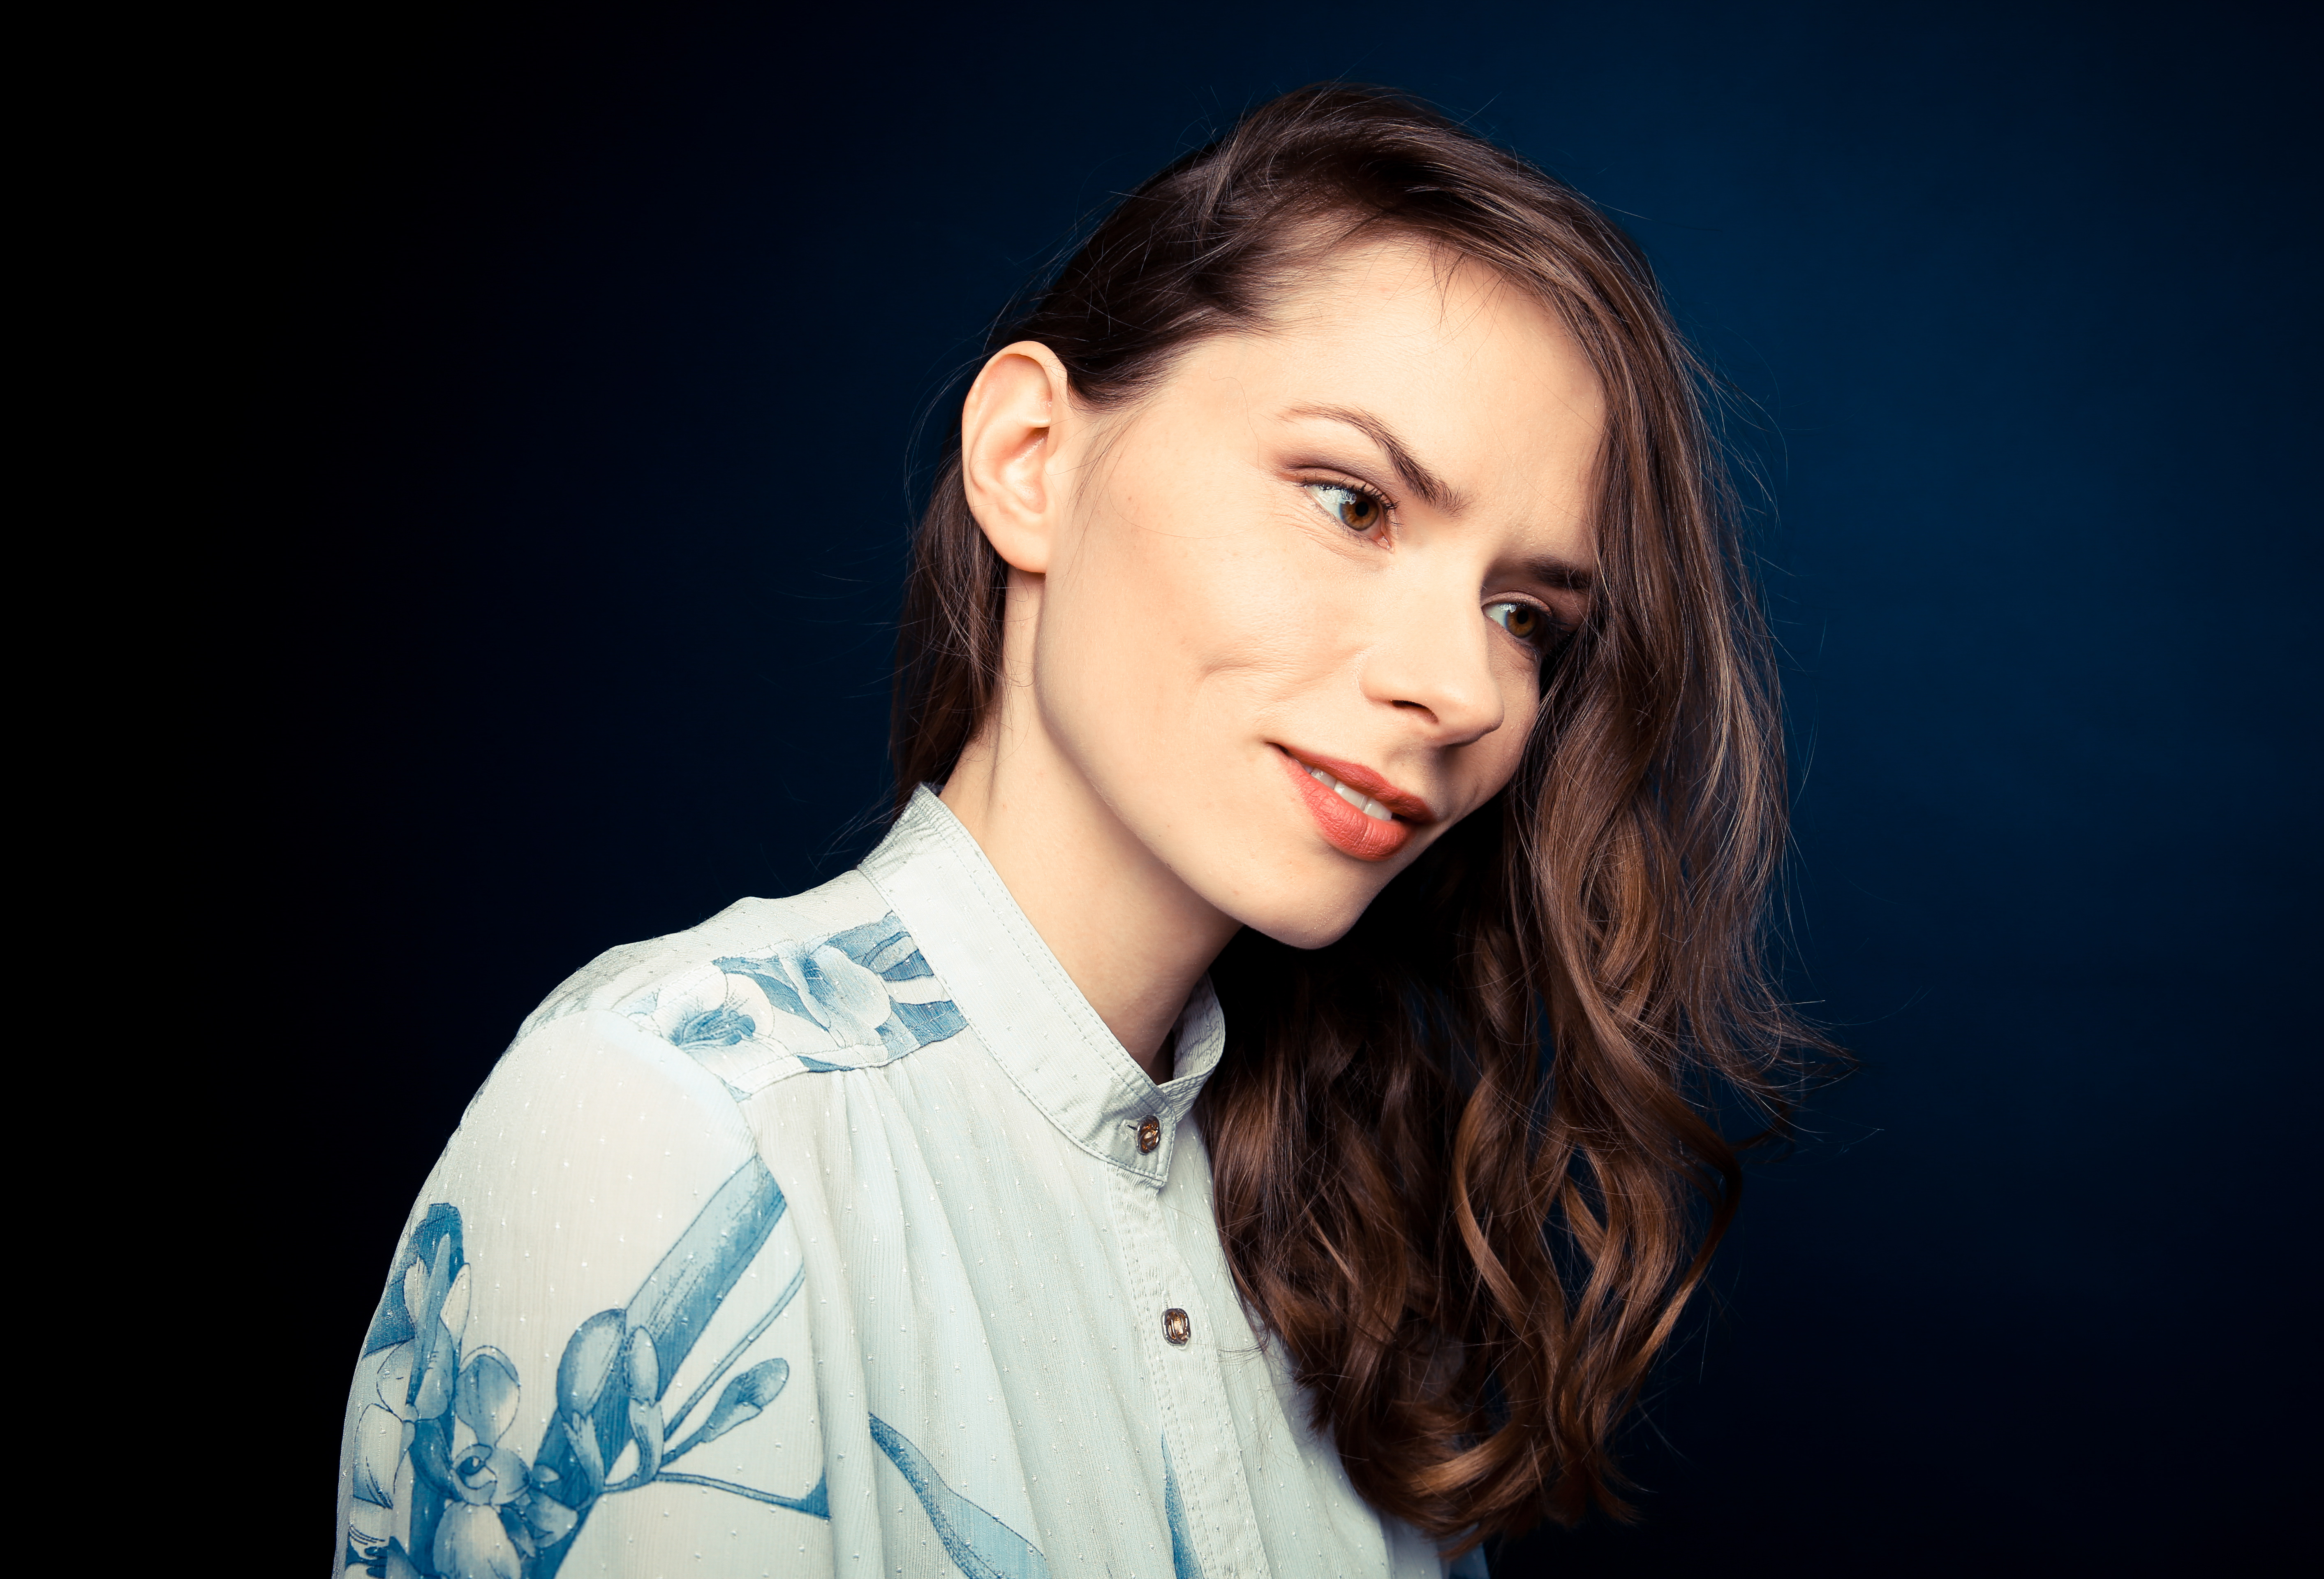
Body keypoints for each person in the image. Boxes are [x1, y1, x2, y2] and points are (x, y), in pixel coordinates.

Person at [333, 84, 1812, 1579]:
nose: (1461, 689)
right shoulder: (681, 1123)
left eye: (1524, 615)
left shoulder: (1348, 1253)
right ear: (1032, 456)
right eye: (1352, 503)